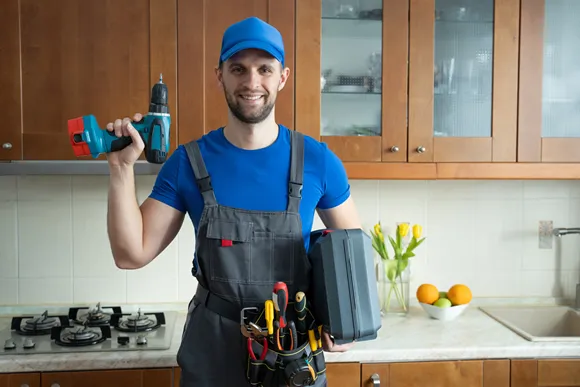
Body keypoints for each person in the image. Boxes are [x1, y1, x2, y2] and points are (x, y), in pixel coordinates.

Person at [105, 16, 362, 387]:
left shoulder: (318, 161)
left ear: (282, 77)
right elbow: (131, 254)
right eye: (238, 69)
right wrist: (121, 168)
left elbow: (353, 257)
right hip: (212, 353)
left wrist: (345, 320)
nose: (252, 82)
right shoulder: (188, 163)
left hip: (291, 355)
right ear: (220, 75)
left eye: (264, 69)